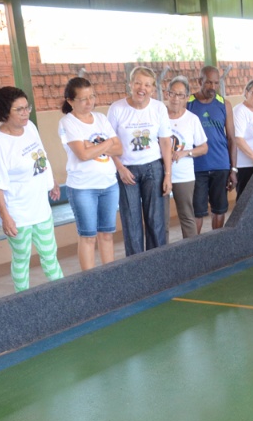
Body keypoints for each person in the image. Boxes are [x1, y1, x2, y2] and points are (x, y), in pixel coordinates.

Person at [0, 86, 64, 293]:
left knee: (50, 256)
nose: (25, 113)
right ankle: (22, 301)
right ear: (4, 112)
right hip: (17, 213)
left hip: (41, 209)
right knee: (21, 259)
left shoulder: (30, 127)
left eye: (26, 107)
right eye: (18, 109)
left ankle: (65, 295)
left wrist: (52, 181)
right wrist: (6, 216)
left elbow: (41, 155)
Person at [58, 76, 123, 271]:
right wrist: (107, 143)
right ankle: (90, 281)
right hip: (83, 187)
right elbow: (83, 155)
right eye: (83, 99)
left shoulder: (101, 118)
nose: (89, 102)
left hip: (109, 185)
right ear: (70, 101)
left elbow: (119, 149)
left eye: (92, 96)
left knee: (107, 234)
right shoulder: (67, 123)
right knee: (88, 236)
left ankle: (108, 276)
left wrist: (94, 145)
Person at [107, 67, 174, 254]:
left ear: (153, 89)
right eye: (137, 83)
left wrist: (168, 175)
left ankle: (157, 263)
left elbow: (165, 142)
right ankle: (135, 268)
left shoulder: (159, 108)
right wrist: (120, 168)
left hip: (154, 168)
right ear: (130, 84)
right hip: (127, 170)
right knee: (131, 223)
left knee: (156, 221)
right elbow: (109, 143)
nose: (141, 88)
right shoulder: (117, 108)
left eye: (147, 84)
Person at [188, 66, 237, 234]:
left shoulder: (225, 104)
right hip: (196, 166)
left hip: (220, 165)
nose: (212, 86)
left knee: (220, 209)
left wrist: (233, 169)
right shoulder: (188, 104)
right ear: (199, 81)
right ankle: (194, 248)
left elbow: (232, 138)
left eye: (216, 83)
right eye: (208, 82)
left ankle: (214, 246)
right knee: (197, 212)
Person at [165, 76, 208, 239]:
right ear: (167, 94)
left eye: (180, 95)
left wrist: (186, 152)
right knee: (162, 220)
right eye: (173, 93)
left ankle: (191, 253)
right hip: (160, 175)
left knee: (187, 215)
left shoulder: (192, 119)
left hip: (183, 175)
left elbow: (204, 147)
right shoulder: (159, 115)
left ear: (187, 98)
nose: (176, 98)